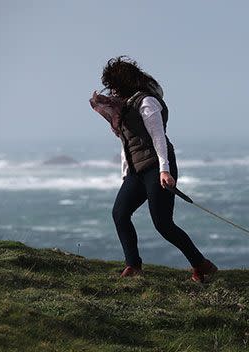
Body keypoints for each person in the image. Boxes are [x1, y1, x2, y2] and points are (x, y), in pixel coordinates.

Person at [91, 55, 217, 282]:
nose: (112, 92)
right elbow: (126, 143)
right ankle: (133, 266)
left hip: (156, 168)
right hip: (135, 172)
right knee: (120, 214)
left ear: (124, 82)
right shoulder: (124, 107)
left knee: (163, 224)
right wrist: (125, 173)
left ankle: (201, 264)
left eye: (114, 86)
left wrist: (165, 170)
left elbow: (159, 138)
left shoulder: (147, 102)